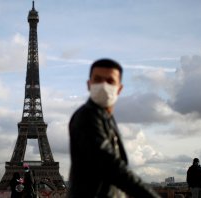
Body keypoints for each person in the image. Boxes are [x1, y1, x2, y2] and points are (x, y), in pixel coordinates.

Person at [68, 58, 160, 198]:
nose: (103, 85)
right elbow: (111, 166)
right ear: (89, 84)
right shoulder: (87, 117)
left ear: (120, 88)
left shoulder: (105, 117)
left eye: (110, 81)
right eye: (98, 79)